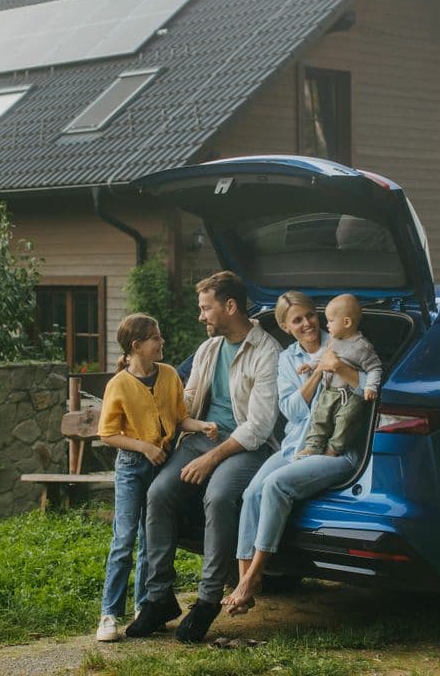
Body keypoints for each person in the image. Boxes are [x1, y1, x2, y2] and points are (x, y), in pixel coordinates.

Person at [125, 271, 282, 643]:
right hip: (202, 438)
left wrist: (211, 461)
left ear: (230, 306)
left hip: (247, 447)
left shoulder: (267, 352)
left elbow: (259, 426)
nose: (201, 316)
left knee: (219, 496)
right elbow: (190, 401)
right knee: (158, 494)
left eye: (205, 308)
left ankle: (208, 598)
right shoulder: (209, 349)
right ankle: (159, 597)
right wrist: (164, 428)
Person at [222, 291, 379, 615]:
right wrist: (321, 371)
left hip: (336, 449)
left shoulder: (342, 339)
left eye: (310, 315)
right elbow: (291, 409)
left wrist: (337, 366)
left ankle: (253, 576)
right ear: (285, 326)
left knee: (275, 485)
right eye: (297, 320)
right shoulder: (287, 359)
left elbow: (372, 388)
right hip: (296, 444)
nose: (307, 323)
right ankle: (244, 584)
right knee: (252, 492)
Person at [95, 313, 218, 642]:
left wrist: (201, 426)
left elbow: (180, 418)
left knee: (152, 542)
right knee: (124, 541)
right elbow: (107, 433)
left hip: (161, 464)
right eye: (155, 338)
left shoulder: (168, 376)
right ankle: (109, 613)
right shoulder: (118, 384)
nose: (162, 342)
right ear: (137, 346)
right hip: (133, 466)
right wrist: (144, 447)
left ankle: (145, 606)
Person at [295, 293, 382, 458]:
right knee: (319, 419)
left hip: (349, 396)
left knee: (345, 422)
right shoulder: (333, 340)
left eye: (330, 321)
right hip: (329, 391)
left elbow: (375, 368)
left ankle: (332, 450)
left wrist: (370, 387)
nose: (326, 325)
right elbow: (323, 358)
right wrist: (311, 365)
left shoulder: (362, 346)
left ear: (346, 322)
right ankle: (313, 446)